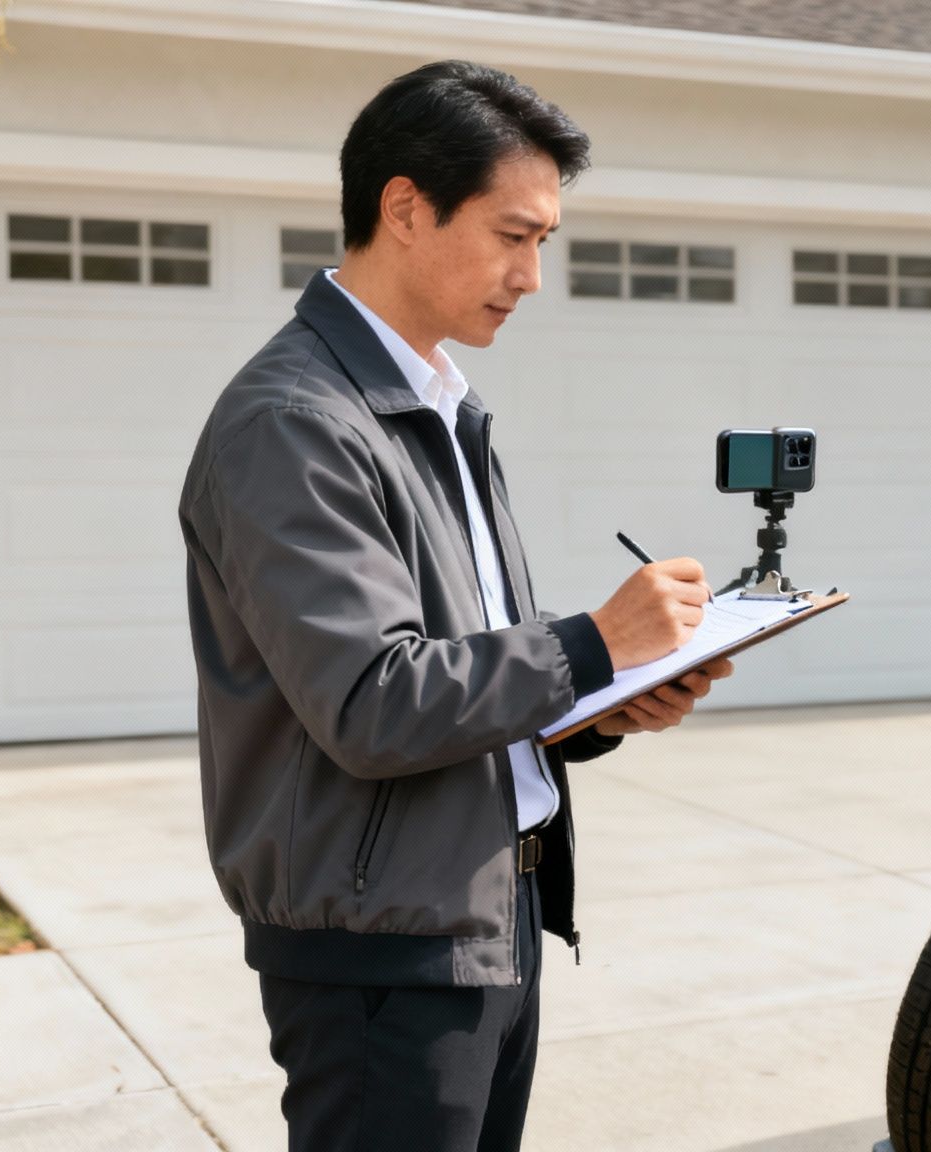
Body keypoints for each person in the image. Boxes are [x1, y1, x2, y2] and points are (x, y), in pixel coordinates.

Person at [176, 59, 731, 1150]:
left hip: (482, 916)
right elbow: (372, 701)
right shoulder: (296, 425)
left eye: (544, 244)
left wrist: (605, 695)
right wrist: (588, 642)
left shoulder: (434, 407)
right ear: (404, 208)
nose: (531, 275)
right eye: (513, 235)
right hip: (382, 951)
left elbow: (463, 671)